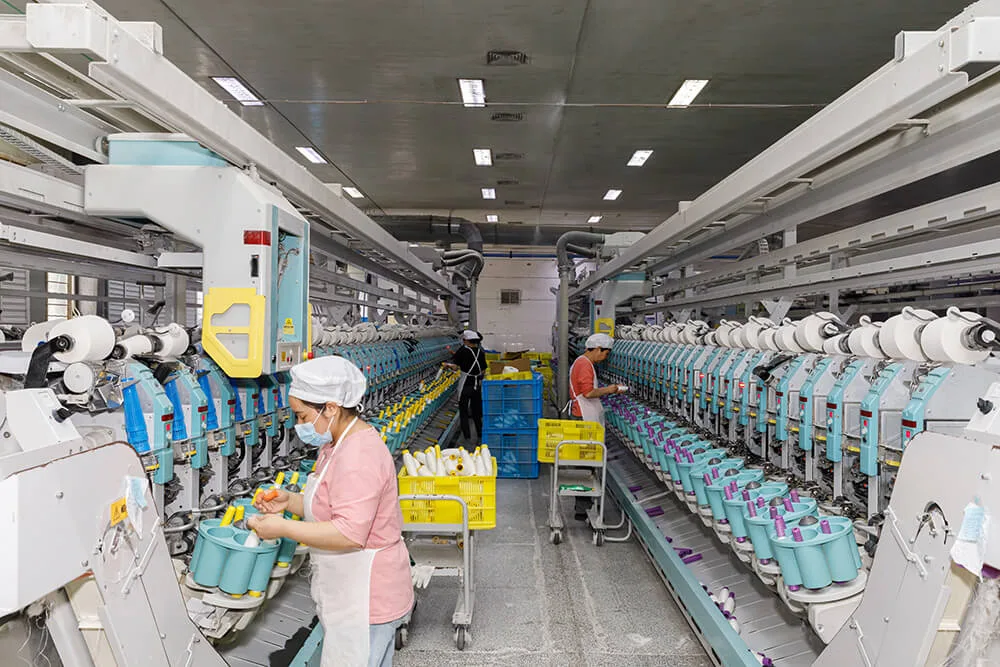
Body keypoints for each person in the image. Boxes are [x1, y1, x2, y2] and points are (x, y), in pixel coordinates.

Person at [248, 356, 413, 667]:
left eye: (302, 416)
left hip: (366, 596)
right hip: (350, 592)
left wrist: (282, 528)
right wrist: (289, 501)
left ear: (331, 408)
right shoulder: (336, 445)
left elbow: (349, 533)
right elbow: (331, 505)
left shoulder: (359, 455)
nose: (298, 425)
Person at [568, 333, 626, 520]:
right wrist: (611, 389)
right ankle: (582, 507)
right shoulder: (585, 364)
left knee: (585, 463)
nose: (605, 358)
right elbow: (588, 392)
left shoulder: (581, 362)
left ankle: (585, 504)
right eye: (605, 354)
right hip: (583, 418)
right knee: (586, 464)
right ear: (598, 349)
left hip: (582, 415)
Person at [443, 329, 487, 444]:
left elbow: (455, 367)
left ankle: (467, 437)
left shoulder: (463, 350)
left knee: (463, 411)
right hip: (476, 385)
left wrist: (447, 365)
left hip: (465, 384)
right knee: (476, 411)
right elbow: (483, 370)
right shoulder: (480, 352)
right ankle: (480, 434)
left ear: (467, 340)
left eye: (464, 340)